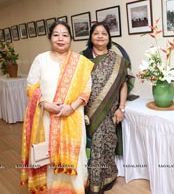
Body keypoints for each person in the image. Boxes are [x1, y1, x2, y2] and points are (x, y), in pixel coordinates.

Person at [20, 21, 94, 193]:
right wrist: (45, 104)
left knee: (74, 156)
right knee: (48, 156)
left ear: (70, 38)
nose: (60, 38)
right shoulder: (41, 59)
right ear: (50, 38)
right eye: (56, 34)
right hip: (46, 118)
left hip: (73, 118)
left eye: (65, 35)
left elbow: (86, 89)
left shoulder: (80, 62)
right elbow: (31, 86)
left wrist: (71, 107)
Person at [81, 22, 133, 194]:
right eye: (96, 33)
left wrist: (122, 108)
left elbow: (123, 86)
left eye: (104, 33)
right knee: (92, 147)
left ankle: (109, 177)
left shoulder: (118, 61)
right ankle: (93, 184)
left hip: (110, 112)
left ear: (109, 37)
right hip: (87, 112)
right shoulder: (82, 59)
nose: (100, 36)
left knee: (108, 145)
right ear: (91, 37)